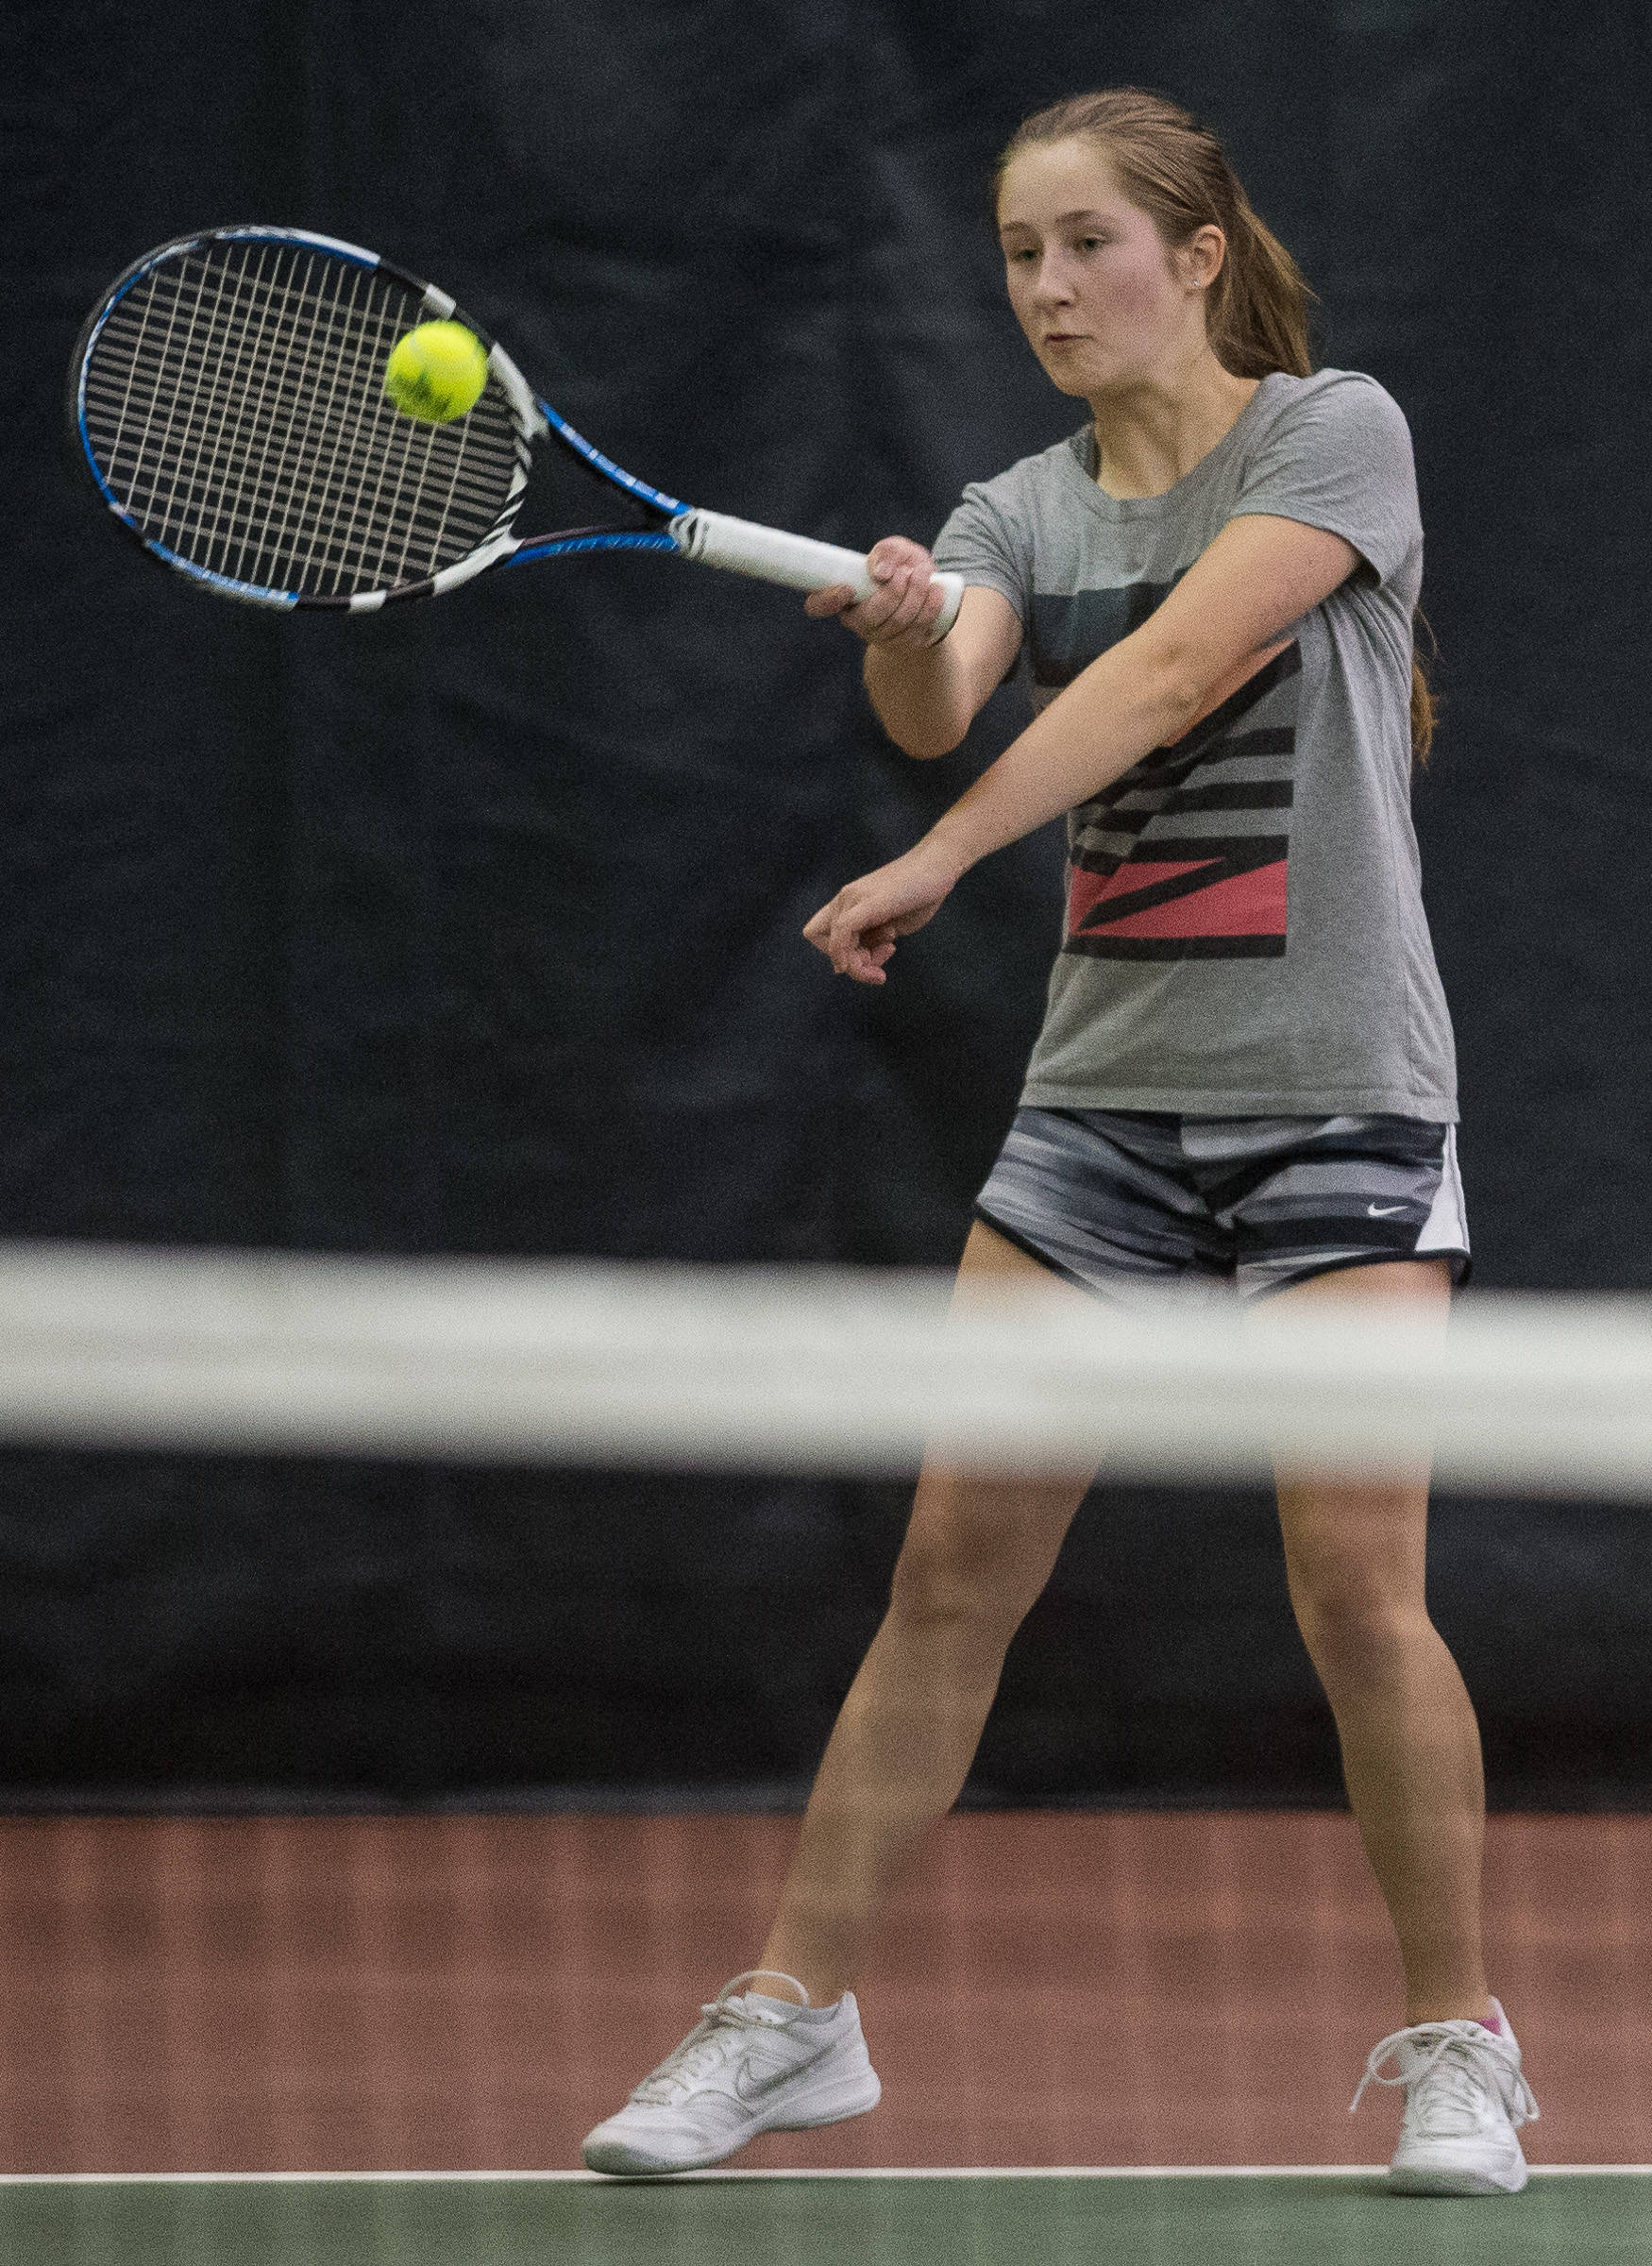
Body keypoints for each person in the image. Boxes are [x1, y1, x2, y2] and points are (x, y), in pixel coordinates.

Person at [582, 86, 1539, 2196]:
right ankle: (790, 2014)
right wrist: (919, 626)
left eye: (1085, 244)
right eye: (1017, 254)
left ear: (1194, 253)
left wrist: (937, 849)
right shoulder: (1014, 502)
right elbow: (951, 691)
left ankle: (1454, 2034)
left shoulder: (1329, 435)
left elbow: (1181, 667)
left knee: (1352, 1588)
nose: (1042, 289)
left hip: (1338, 1098)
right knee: (947, 1577)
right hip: (1097, 1115)